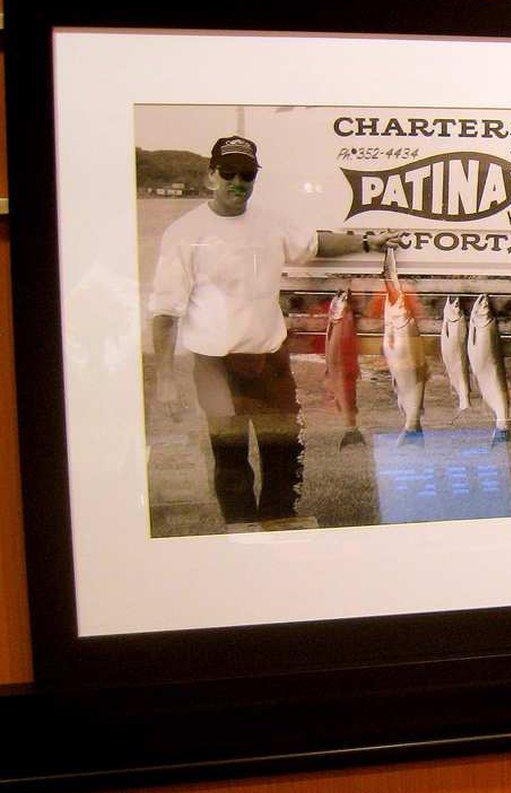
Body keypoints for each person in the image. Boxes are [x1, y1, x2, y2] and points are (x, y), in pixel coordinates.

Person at [149, 135, 399, 528]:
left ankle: (279, 526)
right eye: (228, 173)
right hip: (214, 364)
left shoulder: (270, 222)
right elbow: (164, 312)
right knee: (230, 453)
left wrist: (368, 242)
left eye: (246, 175)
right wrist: (164, 377)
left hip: (270, 358)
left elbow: (316, 243)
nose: (237, 182)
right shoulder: (184, 232)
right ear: (211, 175)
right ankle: (240, 531)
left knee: (282, 447)